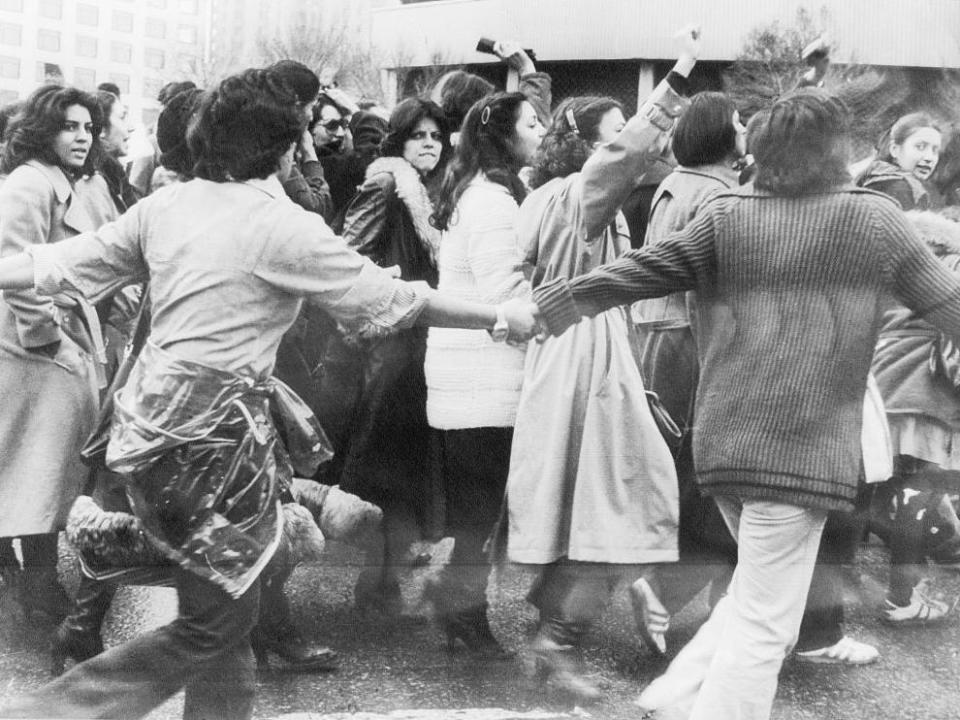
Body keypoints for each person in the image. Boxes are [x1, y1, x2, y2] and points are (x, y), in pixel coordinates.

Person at [0, 69, 538, 720]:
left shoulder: (169, 205)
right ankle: (52, 714)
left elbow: (55, 267)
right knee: (215, 625)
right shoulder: (281, 226)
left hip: (148, 436)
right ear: (282, 148)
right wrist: (497, 316)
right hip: (214, 454)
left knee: (226, 618)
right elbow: (397, 303)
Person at [525, 87, 960, 720]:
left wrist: (545, 306)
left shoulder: (729, 215)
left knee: (757, 597)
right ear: (837, 150)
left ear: (759, 147)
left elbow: (637, 271)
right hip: (801, 456)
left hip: (724, 447)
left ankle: (668, 700)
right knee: (765, 625)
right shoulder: (873, 220)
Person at [508, 34, 696, 700]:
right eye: (616, 135)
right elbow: (628, 152)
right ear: (594, 148)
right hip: (590, 355)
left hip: (573, 352)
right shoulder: (586, 194)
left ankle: (555, 626)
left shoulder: (554, 192)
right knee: (622, 499)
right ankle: (559, 639)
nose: (641, 145)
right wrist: (676, 81)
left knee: (588, 501)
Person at [423, 91, 545, 659]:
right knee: (481, 507)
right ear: (504, 136)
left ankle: (460, 605)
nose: (541, 130)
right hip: (484, 376)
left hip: (468, 371)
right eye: (532, 121)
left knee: (478, 506)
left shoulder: (471, 190)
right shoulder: (494, 201)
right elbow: (506, 294)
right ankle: (462, 610)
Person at [0, 84, 117, 626]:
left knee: (39, 468)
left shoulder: (64, 183)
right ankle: (38, 584)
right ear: (44, 131)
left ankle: (33, 579)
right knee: (37, 468)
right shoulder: (29, 183)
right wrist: (54, 342)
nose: (81, 136)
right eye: (69, 126)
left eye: (88, 128)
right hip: (27, 347)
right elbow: (12, 271)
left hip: (48, 343)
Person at [632, 90, 745, 644]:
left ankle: (696, 601)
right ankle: (674, 593)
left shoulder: (674, 183)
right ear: (721, 134)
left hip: (656, 336)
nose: (745, 131)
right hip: (696, 342)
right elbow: (713, 285)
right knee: (710, 478)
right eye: (739, 123)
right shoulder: (722, 194)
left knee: (672, 474)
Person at [335, 97, 451, 616]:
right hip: (392, 344)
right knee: (384, 459)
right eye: (418, 135)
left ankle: (385, 578)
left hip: (425, 345)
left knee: (410, 463)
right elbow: (350, 253)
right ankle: (375, 578)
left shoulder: (433, 191)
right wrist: (389, 284)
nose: (430, 143)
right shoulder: (387, 183)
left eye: (436, 135)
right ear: (398, 141)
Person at [870, 209, 960, 623]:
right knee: (917, 497)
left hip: (883, 388)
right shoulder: (948, 272)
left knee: (888, 488)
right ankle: (902, 597)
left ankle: (906, 587)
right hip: (926, 396)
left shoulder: (889, 272)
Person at [266, 60, 334, 221]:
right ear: (295, 105)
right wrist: (310, 156)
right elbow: (317, 209)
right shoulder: (278, 149)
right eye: (310, 106)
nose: (311, 116)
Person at [857, 112, 943, 211]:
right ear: (894, 149)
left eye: (935, 151)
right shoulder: (899, 188)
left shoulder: (877, 174)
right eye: (920, 147)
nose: (929, 158)